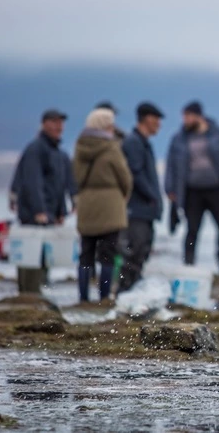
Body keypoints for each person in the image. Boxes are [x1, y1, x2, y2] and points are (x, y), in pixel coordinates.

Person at [165, 101, 219, 275]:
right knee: (192, 229)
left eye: (188, 116)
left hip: (217, 189)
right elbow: (171, 165)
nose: (185, 120)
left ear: (199, 116)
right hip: (192, 192)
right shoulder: (179, 139)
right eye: (184, 116)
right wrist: (170, 189)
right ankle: (188, 265)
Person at [72, 109, 132, 303]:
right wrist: (123, 195)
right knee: (108, 254)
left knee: (86, 253)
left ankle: (83, 297)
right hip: (110, 206)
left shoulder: (80, 147)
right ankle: (104, 297)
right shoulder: (111, 147)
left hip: (87, 204)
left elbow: (75, 177)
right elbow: (125, 177)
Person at [11, 109, 71, 293]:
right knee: (30, 255)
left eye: (60, 122)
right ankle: (28, 294)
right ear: (44, 124)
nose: (58, 126)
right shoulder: (36, 148)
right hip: (34, 213)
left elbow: (59, 185)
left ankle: (39, 292)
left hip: (50, 212)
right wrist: (39, 210)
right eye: (54, 122)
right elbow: (32, 181)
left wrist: (62, 211)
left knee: (45, 256)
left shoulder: (58, 152)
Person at [120, 102, 164, 293]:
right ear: (147, 119)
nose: (159, 124)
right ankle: (124, 291)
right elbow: (135, 174)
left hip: (145, 210)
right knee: (135, 251)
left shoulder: (144, 143)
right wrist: (152, 196)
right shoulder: (134, 142)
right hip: (137, 209)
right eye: (157, 119)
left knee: (142, 252)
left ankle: (132, 290)